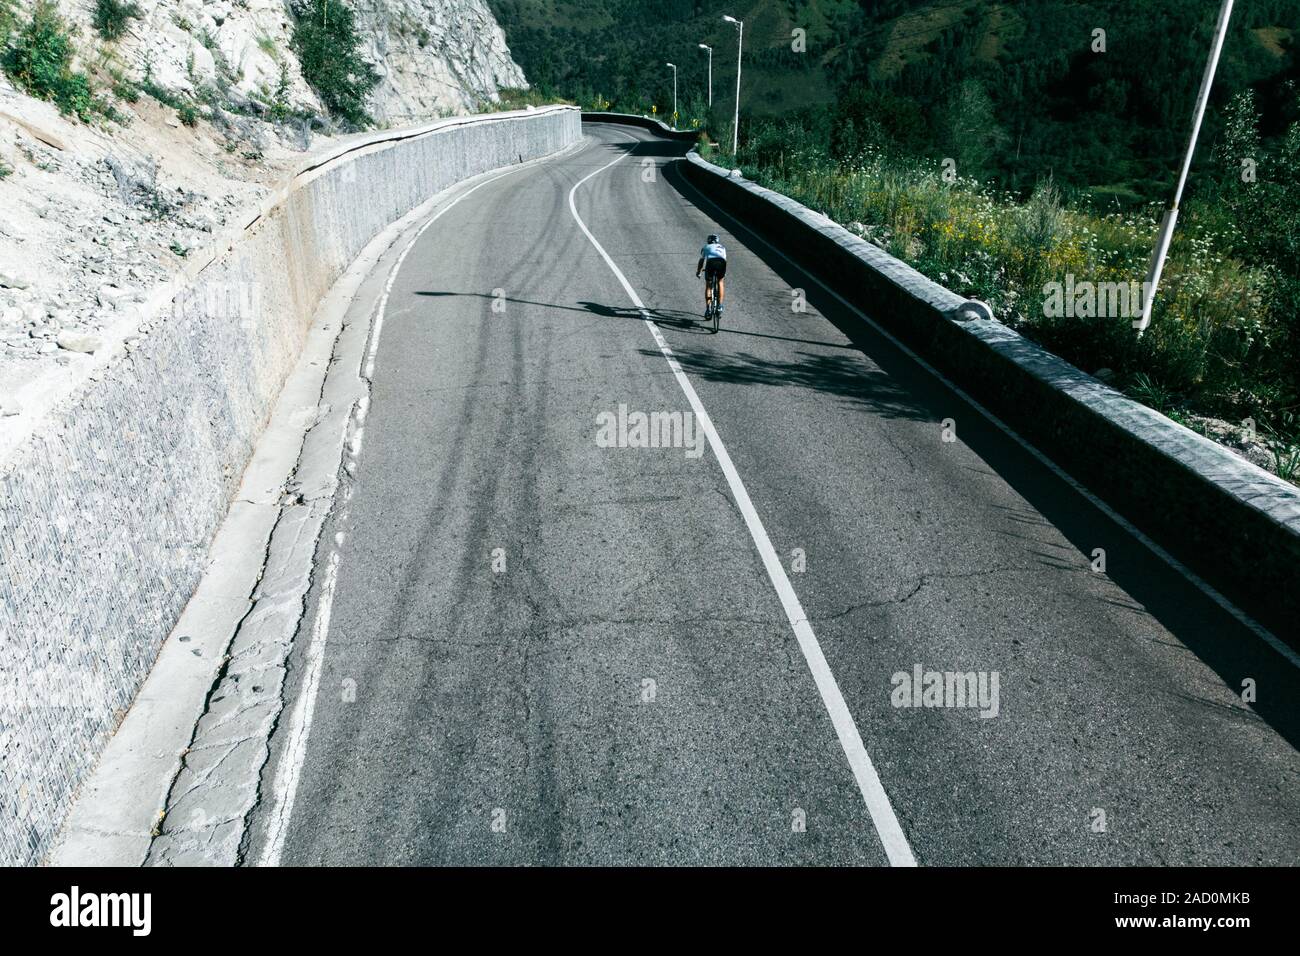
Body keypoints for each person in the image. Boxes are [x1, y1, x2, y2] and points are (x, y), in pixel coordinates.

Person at [696, 233, 728, 317]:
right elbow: (725, 259)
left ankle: (708, 309)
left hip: (711, 263)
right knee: (720, 282)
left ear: (709, 241)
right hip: (722, 263)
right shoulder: (722, 247)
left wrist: (699, 271)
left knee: (708, 286)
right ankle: (720, 306)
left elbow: (701, 261)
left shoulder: (706, 247)